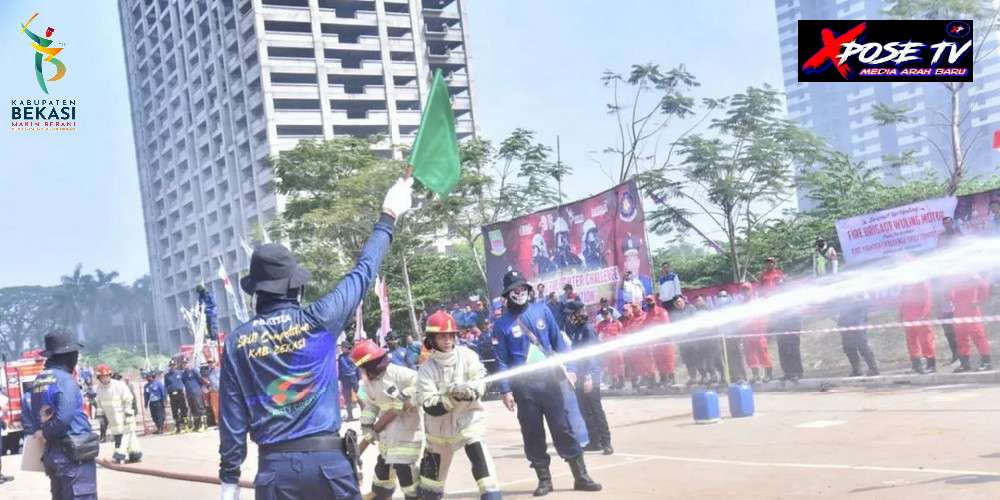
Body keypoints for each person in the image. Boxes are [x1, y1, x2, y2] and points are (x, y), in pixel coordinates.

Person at [218, 176, 412, 500]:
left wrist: (229, 481)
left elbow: (232, 420)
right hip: (329, 468)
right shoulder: (320, 320)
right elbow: (363, 272)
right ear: (296, 286)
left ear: (257, 293)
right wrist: (388, 215)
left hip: (274, 473)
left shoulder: (237, 344)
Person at [493, 269, 601, 496]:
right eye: (514, 289)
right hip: (524, 388)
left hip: (550, 383)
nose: (519, 292)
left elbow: (559, 343)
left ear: (528, 290)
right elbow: (501, 360)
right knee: (532, 433)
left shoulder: (542, 311)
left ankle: (581, 476)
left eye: (522, 288)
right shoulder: (501, 325)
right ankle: (544, 480)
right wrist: (505, 390)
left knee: (563, 428)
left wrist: (570, 369)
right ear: (507, 294)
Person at [415, 311, 502, 499]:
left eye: (450, 335)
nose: (447, 340)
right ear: (431, 339)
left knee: (482, 465)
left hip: (468, 421)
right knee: (430, 487)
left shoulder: (468, 356)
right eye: (441, 336)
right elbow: (429, 405)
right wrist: (452, 398)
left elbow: (482, 378)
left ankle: (491, 496)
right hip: (438, 433)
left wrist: (472, 391)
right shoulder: (426, 369)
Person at [31, 329, 98, 499]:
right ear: (67, 356)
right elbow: (63, 418)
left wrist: (43, 432)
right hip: (73, 456)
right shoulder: (65, 380)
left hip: (53, 454)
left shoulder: (39, 380)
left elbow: (33, 414)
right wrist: (46, 433)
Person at [352, 339, 423, 500]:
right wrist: (367, 426)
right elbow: (371, 405)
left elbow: (421, 384)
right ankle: (380, 495)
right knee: (383, 472)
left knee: (406, 473)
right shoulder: (369, 383)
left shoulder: (399, 373)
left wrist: (407, 396)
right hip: (386, 435)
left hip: (406, 432)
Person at [564, 301, 614, 455]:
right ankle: (594, 441)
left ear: (578, 313)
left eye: (571, 314)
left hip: (591, 376)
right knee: (585, 410)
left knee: (595, 409)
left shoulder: (587, 329)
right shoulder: (576, 331)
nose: (569, 317)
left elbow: (591, 354)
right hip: (580, 376)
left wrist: (588, 377)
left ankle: (606, 442)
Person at [94, 364, 142, 464]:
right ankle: (134, 454)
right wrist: (100, 416)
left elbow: (128, 398)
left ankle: (120, 455)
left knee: (124, 436)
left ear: (110, 375)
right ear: (99, 377)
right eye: (102, 377)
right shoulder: (99, 389)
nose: (105, 378)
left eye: (106, 376)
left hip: (124, 416)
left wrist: (128, 412)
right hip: (112, 418)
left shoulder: (119, 385)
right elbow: (99, 403)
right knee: (124, 435)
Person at [949, 273, 992, 372]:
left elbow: (984, 286)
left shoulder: (971, 275)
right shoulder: (952, 276)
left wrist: (979, 300)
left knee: (978, 336)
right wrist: (952, 298)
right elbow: (950, 291)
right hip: (958, 311)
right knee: (960, 337)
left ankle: (986, 362)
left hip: (971, 310)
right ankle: (965, 364)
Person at [899, 279, 936, 374]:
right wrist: (901, 314)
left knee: (926, 341)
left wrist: (923, 315)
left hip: (920, 318)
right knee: (911, 342)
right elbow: (902, 300)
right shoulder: (905, 285)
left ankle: (931, 365)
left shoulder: (922, 283)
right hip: (908, 317)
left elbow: (928, 300)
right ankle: (916, 365)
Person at [837, 294, 879, 377]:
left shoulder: (860, 294)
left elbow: (867, 303)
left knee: (863, 347)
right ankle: (856, 369)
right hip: (845, 325)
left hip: (857, 324)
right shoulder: (842, 296)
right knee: (849, 349)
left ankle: (873, 368)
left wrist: (856, 300)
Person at [739, 283, 773, 383]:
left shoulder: (757, 302)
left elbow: (763, 318)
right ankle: (756, 376)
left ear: (751, 290)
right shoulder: (741, 305)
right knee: (750, 355)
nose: (746, 292)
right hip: (746, 333)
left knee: (763, 353)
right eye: (744, 290)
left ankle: (768, 375)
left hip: (758, 333)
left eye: (747, 289)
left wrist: (762, 330)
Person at [622, 303, 656, 390]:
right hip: (636, 347)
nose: (634, 309)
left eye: (635, 307)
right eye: (632, 307)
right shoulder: (632, 319)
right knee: (640, 364)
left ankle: (652, 381)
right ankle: (644, 379)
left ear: (640, 306)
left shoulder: (645, 316)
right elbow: (628, 330)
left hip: (645, 344)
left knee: (649, 363)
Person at [644, 295, 676, 387]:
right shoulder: (648, 314)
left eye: (650, 301)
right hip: (655, 343)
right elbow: (645, 326)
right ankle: (663, 379)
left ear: (654, 301)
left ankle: (671, 379)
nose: (649, 303)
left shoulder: (662, 312)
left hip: (665, 341)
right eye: (647, 301)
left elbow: (665, 326)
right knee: (658, 360)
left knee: (667, 360)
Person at [716, 290, 747, 383]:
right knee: (727, 358)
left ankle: (742, 377)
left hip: (734, 338)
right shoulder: (717, 311)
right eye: (720, 296)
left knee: (737, 357)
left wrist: (739, 337)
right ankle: (732, 377)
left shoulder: (733, 309)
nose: (722, 298)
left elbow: (739, 324)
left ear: (728, 297)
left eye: (724, 296)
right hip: (724, 339)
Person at [691, 296, 723, 384]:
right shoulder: (695, 313)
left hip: (712, 339)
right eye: (696, 301)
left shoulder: (710, 310)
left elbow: (715, 324)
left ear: (703, 301)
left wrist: (715, 335)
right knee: (703, 360)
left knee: (715, 359)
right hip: (701, 340)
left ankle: (722, 375)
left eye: (699, 300)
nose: (697, 302)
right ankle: (711, 375)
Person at [669, 295, 699, 385]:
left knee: (697, 359)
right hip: (682, 341)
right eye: (676, 303)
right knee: (687, 361)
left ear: (683, 301)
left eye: (680, 301)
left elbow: (697, 321)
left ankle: (704, 377)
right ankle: (693, 378)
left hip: (694, 339)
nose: (678, 304)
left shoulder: (691, 309)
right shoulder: (673, 314)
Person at [595, 307, 625, 390]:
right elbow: (598, 335)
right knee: (610, 365)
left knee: (619, 365)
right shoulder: (600, 325)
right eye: (603, 314)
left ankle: (621, 382)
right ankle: (614, 381)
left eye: (606, 314)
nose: (605, 316)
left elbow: (622, 335)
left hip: (617, 348)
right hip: (607, 349)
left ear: (610, 314)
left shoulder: (617, 323)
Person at [178, 356, 207, 432]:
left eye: (186, 363)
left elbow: (200, 380)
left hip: (196, 392)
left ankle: (203, 425)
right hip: (189, 394)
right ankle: (196, 426)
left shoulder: (194, 370)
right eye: (183, 364)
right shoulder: (184, 374)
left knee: (199, 408)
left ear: (189, 363)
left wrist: (202, 388)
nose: (185, 365)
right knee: (193, 410)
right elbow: (184, 383)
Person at [164, 357, 188, 434]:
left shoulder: (180, 373)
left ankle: (186, 426)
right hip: (172, 395)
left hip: (180, 394)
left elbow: (184, 382)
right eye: (171, 365)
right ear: (169, 366)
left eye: (173, 365)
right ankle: (177, 428)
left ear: (176, 365)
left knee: (183, 410)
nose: (172, 366)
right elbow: (166, 386)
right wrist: (166, 397)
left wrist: (185, 391)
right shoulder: (167, 376)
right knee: (175, 412)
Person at [337, 341, 360, 422]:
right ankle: (350, 415)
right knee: (347, 397)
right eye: (343, 347)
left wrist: (359, 377)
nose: (343, 349)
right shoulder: (340, 357)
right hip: (345, 379)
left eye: (346, 347)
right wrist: (339, 379)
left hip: (353, 377)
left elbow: (357, 366)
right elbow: (340, 369)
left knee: (360, 395)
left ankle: (364, 413)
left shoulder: (353, 355)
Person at [143, 370, 167, 434]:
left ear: (152, 377)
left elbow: (163, 392)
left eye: (149, 377)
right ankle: (158, 428)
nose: (148, 378)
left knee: (160, 416)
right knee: (154, 416)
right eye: (147, 377)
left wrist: (165, 401)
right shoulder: (146, 386)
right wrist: (146, 404)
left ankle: (161, 429)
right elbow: (146, 396)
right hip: (152, 403)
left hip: (158, 402)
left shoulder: (158, 383)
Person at [202, 361, 221, 427]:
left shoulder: (219, 370)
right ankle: (218, 423)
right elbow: (206, 382)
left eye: (212, 362)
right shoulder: (208, 372)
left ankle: (225, 422)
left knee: (223, 407)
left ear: (215, 363)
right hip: (213, 392)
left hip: (221, 391)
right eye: (209, 363)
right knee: (215, 408)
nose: (211, 364)